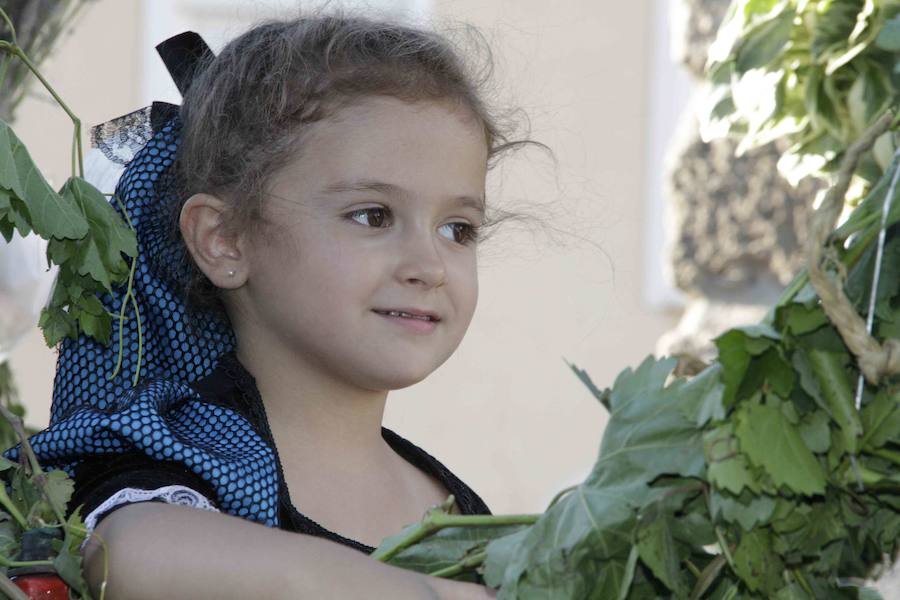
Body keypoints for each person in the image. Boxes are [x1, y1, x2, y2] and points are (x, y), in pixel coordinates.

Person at [8, 9, 540, 599]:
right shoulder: (174, 469)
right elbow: (123, 556)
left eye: (458, 229)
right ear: (223, 239)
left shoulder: (463, 515)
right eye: (373, 216)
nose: (429, 266)